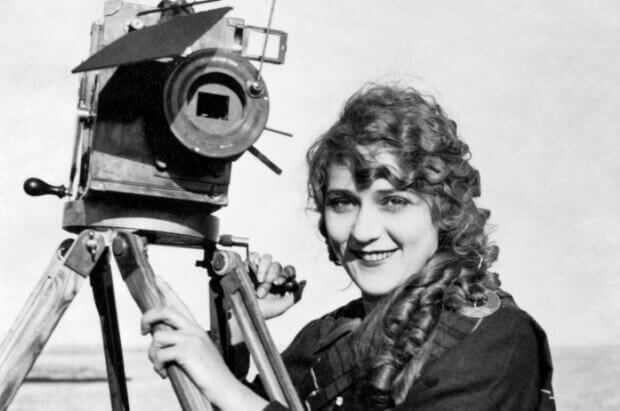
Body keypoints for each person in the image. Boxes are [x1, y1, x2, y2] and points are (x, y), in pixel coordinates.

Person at [141, 84, 555, 410]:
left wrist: (228, 391)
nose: (363, 231)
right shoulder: (328, 338)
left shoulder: (492, 337)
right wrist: (238, 326)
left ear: (442, 211)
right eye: (343, 203)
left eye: (393, 201)